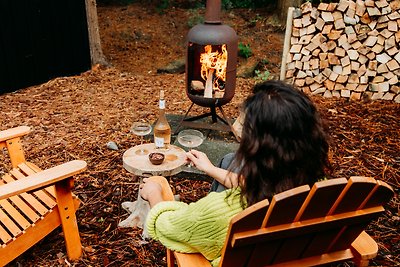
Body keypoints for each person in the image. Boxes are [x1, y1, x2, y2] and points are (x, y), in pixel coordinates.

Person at [139, 80, 330, 266]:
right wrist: (211, 169)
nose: (236, 130)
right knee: (229, 160)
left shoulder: (222, 214)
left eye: (243, 128)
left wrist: (154, 192)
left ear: (258, 147)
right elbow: (258, 186)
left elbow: (168, 225)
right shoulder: (322, 191)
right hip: (287, 253)